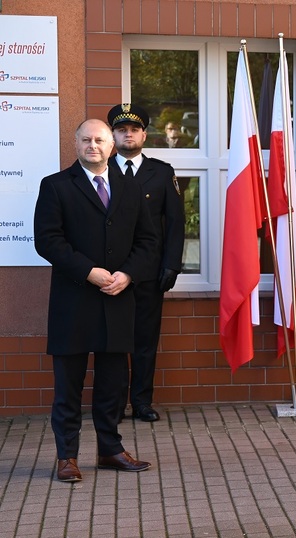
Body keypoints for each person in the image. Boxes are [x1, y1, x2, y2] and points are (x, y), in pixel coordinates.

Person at [33, 119, 158, 482]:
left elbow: (149, 241)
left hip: (118, 298)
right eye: (86, 140)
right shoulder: (56, 186)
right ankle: (67, 457)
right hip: (74, 300)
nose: (93, 145)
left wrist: (128, 274)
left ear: (112, 144)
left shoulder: (131, 187)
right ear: (75, 144)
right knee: (68, 386)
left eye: (100, 140)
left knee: (113, 384)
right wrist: (89, 271)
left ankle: (110, 450)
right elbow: (48, 240)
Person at [108, 103, 186, 423]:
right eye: (122, 130)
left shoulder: (162, 172)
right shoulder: (100, 169)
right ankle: (112, 404)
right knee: (112, 342)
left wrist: (172, 264)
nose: (128, 134)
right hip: (110, 273)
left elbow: (176, 222)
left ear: (144, 134)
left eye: (134, 130)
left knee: (144, 341)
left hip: (150, 273)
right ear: (113, 135)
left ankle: (141, 401)